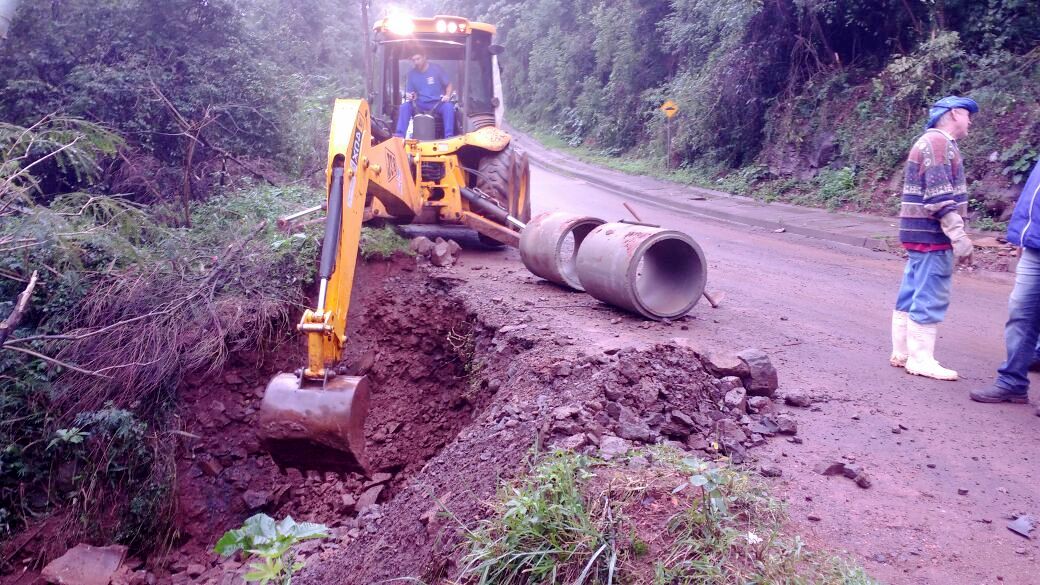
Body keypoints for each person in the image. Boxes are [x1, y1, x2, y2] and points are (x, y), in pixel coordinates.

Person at [889, 96, 977, 380]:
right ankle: (921, 359)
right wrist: (959, 236)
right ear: (953, 113)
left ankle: (902, 351)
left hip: (917, 233)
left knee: (913, 289)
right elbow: (938, 197)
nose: (970, 121)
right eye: (967, 114)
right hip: (933, 234)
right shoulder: (939, 144)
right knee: (931, 294)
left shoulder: (927, 141)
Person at [971, 161, 1040, 415]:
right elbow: (1032, 194)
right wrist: (1023, 234)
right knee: (1021, 313)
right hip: (1034, 245)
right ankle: (1012, 382)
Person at [394, 49, 455, 139]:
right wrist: (411, 96)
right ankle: (399, 136)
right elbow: (411, 92)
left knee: (449, 107)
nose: (416, 62)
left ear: (424, 57)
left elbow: (449, 84)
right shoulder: (412, 74)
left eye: (418, 59)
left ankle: (449, 136)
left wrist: (447, 96)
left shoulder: (436, 69)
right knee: (405, 107)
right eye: (414, 60)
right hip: (420, 104)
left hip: (438, 103)